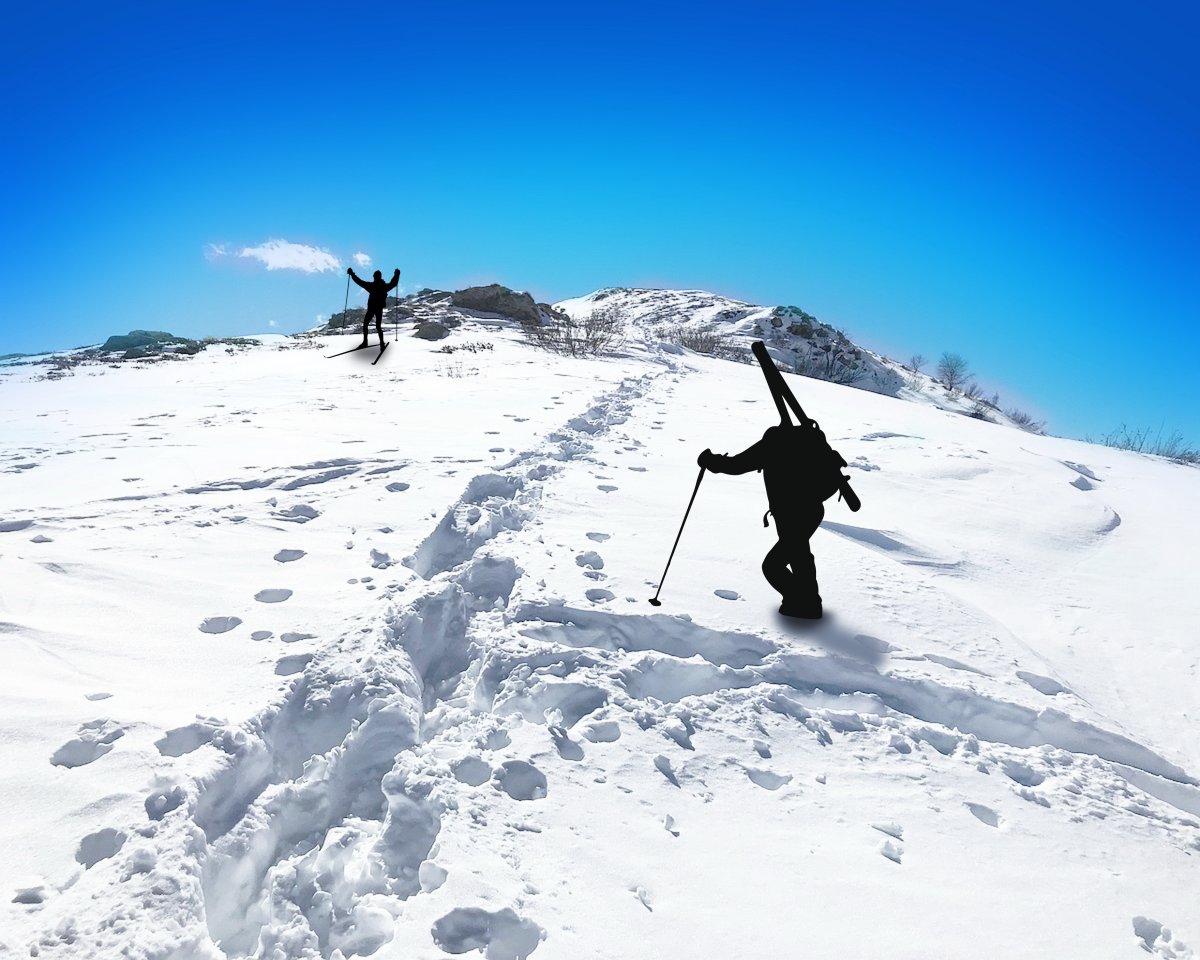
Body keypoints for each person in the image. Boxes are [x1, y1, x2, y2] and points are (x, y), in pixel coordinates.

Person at [698, 425, 826, 619]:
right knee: (799, 557)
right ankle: (808, 604)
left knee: (773, 565)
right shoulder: (804, 438)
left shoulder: (775, 441)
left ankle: (802, 603)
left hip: (791, 514)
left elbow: (737, 465)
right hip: (811, 511)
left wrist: (709, 461)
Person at [347, 267, 400, 348]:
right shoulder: (384, 287)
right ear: (380, 276)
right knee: (378, 326)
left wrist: (352, 274)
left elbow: (359, 282)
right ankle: (382, 344)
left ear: (374, 277)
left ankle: (365, 342)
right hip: (379, 308)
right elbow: (393, 283)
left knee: (365, 325)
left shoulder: (371, 286)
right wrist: (396, 275)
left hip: (371, 308)